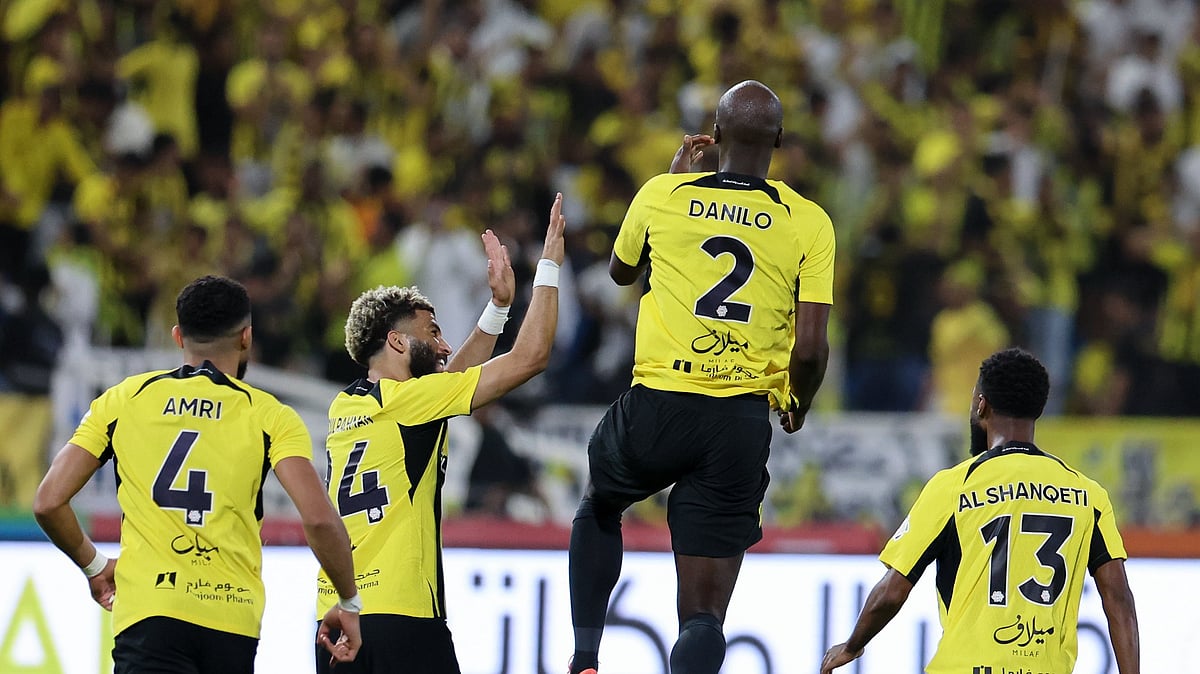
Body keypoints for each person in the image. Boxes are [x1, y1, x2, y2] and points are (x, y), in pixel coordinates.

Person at [567, 80, 836, 674]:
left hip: (658, 403)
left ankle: (586, 657)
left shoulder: (662, 194)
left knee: (601, 504)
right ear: (780, 142)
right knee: (704, 617)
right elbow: (812, 347)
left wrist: (672, 182)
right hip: (737, 420)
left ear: (713, 137)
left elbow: (619, 271)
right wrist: (799, 401)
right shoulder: (809, 223)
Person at [33, 275, 363, 673]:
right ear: (246, 337)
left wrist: (95, 567)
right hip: (231, 618)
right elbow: (319, 519)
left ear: (177, 336)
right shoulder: (270, 415)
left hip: (149, 611)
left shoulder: (123, 400)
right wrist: (348, 601)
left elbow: (49, 501)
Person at [314, 194, 567, 673]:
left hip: (337, 620)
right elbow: (530, 358)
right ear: (396, 341)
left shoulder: (348, 405)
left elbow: (444, 381)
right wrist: (549, 269)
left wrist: (497, 309)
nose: (445, 344)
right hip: (402, 619)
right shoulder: (410, 403)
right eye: (433, 333)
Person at [821, 348, 1140, 674]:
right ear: (1039, 410)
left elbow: (893, 592)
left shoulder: (953, 487)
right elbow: (1119, 601)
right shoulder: (1087, 494)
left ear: (981, 405)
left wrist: (852, 645)